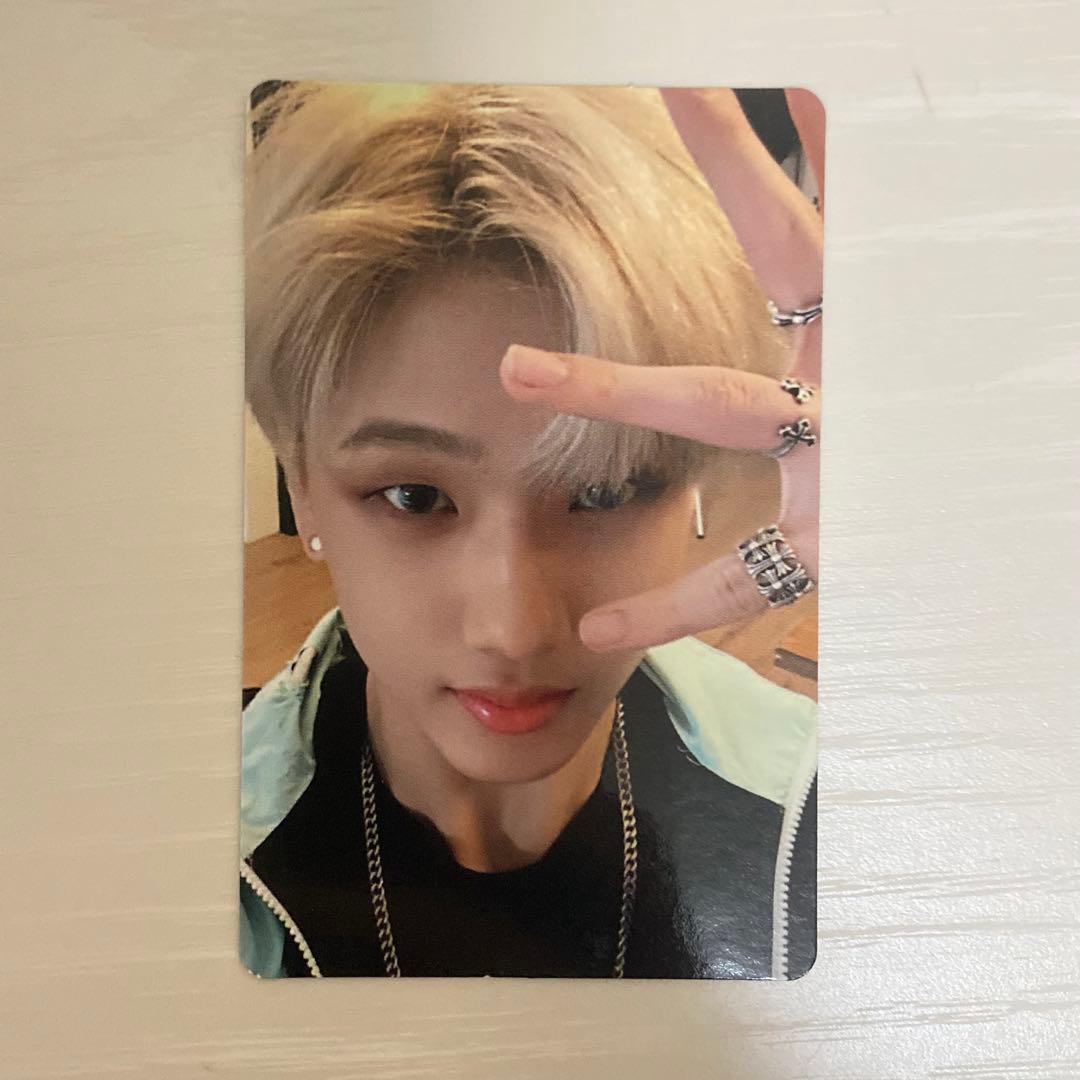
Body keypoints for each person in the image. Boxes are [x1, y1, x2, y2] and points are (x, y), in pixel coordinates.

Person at [240, 80, 823, 980]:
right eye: (414, 497)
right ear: (303, 488)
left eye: (606, 490)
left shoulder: (825, 806)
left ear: (694, 485)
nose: (513, 630)